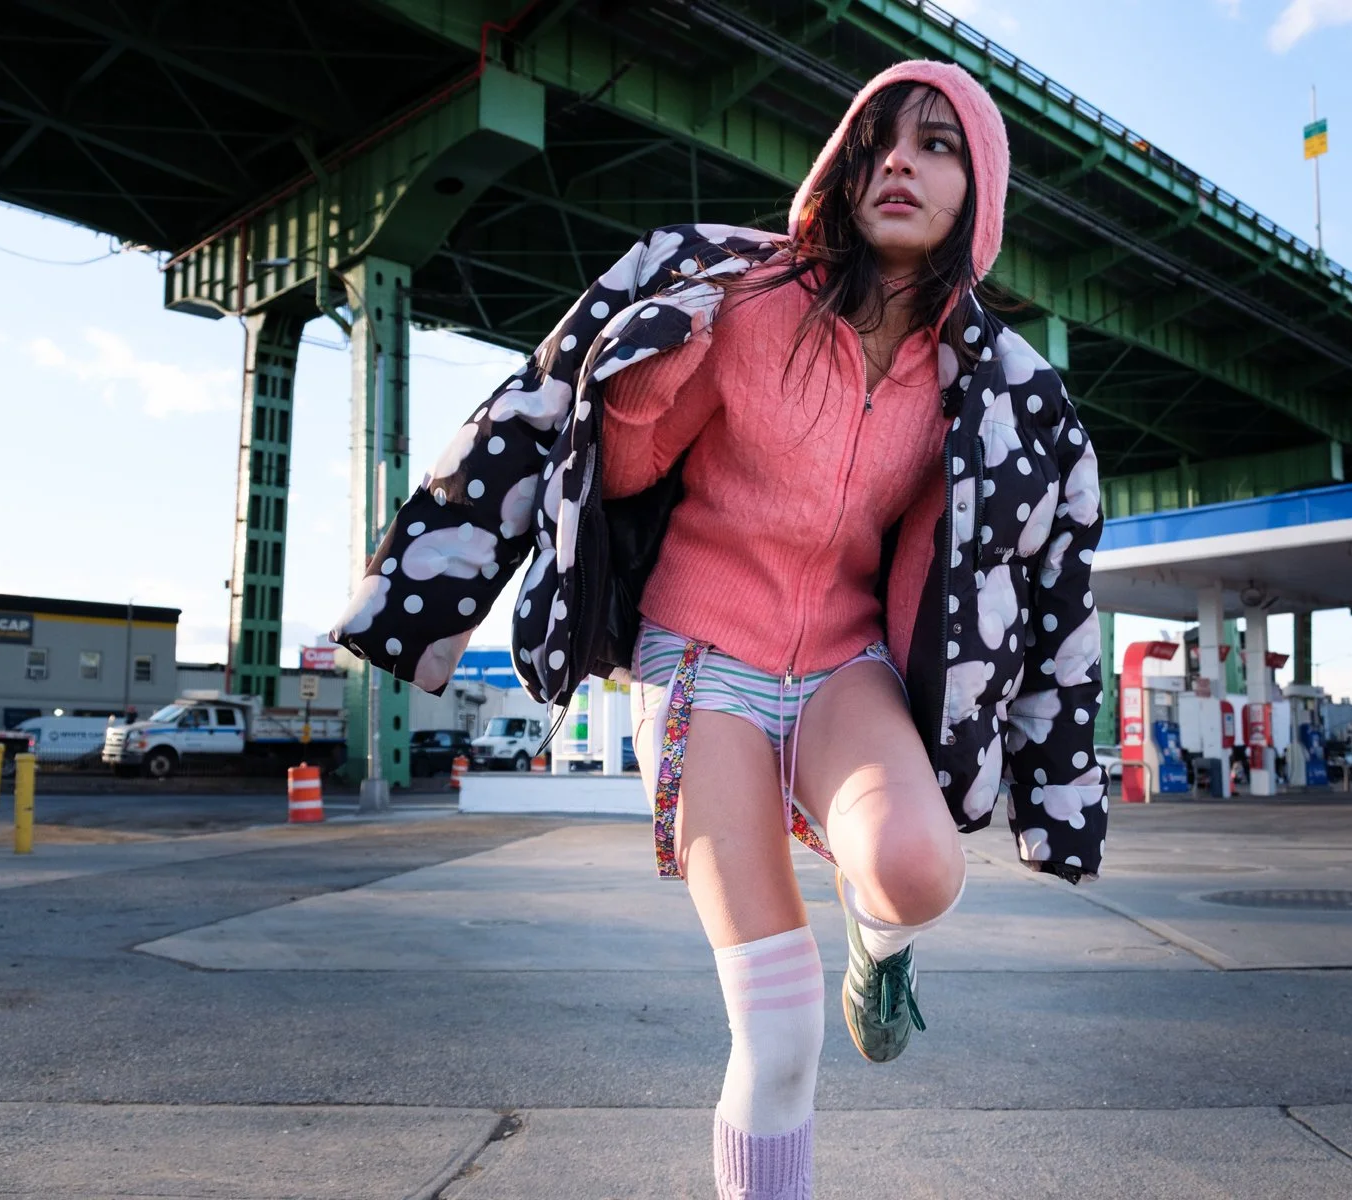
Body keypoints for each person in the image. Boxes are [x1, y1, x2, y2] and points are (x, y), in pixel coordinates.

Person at [333, 59, 1107, 1200]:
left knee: (918, 871)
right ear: (843, 171)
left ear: (979, 195)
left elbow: (1058, 587)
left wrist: (1058, 798)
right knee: (778, 1032)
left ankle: (878, 954)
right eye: (878, 140)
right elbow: (599, 445)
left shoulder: (996, 386)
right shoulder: (738, 297)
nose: (900, 160)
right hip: (703, 658)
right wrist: (659, 372)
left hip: (850, 668)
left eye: (938, 145)